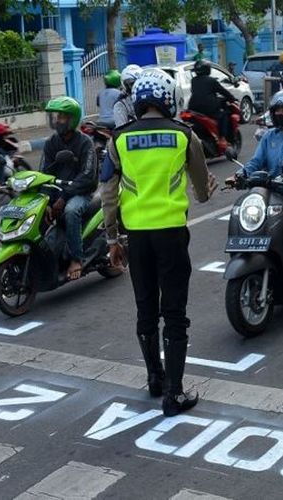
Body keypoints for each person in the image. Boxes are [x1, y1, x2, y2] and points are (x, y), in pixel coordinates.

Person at [101, 69, 218, 416]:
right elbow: (201, 189)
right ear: (169, 100)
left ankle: (155, 378)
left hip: (136, 237)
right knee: (175, 313)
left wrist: (112, 239)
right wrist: (204, 191)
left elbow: (108, 194)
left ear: (137, 102)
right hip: (172, 235)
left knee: (146, 308)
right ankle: (174, 394)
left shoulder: (118, 139)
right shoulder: (185, 136)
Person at [226, 89, 283, 282]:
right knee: (248, 209)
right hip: (273, 187)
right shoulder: (269, 136)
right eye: (278, 110)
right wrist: (239, 175)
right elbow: (255, 161)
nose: (281, 114)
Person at [40, 96, 97, 281]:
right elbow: (44, 173)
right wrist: (46, 200)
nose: (58, 120)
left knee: (71, 212)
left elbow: (87, 177)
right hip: (58, 192)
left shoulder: (85, 143)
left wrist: (63, 198)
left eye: (62, 117)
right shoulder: (51, 143)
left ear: (72, 119)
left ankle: (76, 259)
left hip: (81, 193)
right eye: (56, 116)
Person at [188, 59, 238, 147]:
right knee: (224, 115)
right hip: (209, 109)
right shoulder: (211, 81)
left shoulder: (193, 81)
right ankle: (222, 138)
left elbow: (199, 93)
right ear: (207, 69)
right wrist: (233, 99)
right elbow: (223, 91)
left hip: (193, 107)